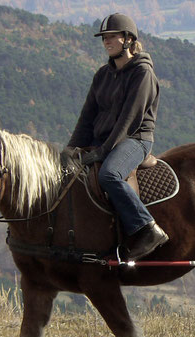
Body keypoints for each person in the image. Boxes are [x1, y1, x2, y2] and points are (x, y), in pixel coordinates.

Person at [68, 13, 168, 261]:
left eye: (111, 36)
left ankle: (147, 228)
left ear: (127, 39)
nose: (106, 41)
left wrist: (102, 152)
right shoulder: (102, 75)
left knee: (109, 175)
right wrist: (70, 149)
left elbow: (129, 120)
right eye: (104, 38)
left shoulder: (143, 74)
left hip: (135, 139)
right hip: (105, 140)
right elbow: (87, 117)